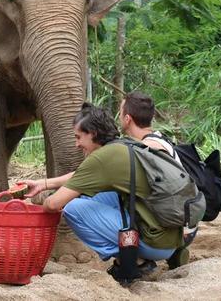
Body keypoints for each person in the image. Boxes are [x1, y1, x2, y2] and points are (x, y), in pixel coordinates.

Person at [20, 103, 185, 283]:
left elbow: (53, 204)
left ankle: (133, 260)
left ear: (93, 133)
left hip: (155, 243)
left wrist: (41, 202)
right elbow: (81, 176)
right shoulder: (124, 145)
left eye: (78, 137)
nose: (76, 144)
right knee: (90, 194)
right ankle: (139, 257)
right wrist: (43, 184)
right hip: (170, 237)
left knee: (73, 208)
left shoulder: (102, 158)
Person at [119, 90, 197, 265]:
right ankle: (174, 252)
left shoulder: (147, 149)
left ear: (127, 119)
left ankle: (141, 260)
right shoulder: (160, 139)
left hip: (177, 231)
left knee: (116, 198)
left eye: (120, 112)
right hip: (186, 224)